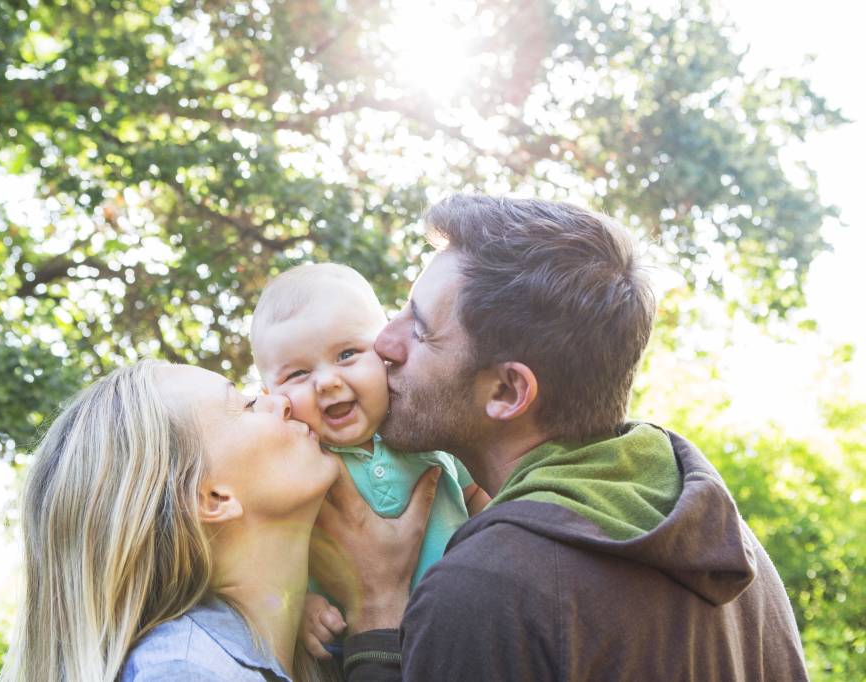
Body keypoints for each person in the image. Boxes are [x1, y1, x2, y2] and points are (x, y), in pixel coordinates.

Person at [315, 195, 808, 681]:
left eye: (420, 331)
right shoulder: (726, 545)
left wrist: (377, 617)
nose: (383, 342)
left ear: (508, 391)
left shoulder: (486, 591)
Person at [0, 359, 439, 682]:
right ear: (212, 497)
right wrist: (379, 611)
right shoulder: (183, 672)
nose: (280, 402)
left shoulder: (313, 650)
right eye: (246, 404)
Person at [250, 263, 490, 659]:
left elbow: (480, 498)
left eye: (347, 354)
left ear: (384, 352)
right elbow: (267, 558)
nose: (326, 381)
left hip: (462, 628)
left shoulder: (426, 432)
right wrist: (299, 606)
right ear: (272, 396)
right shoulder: (297, 466)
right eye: (297, 374)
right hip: (371, 648)